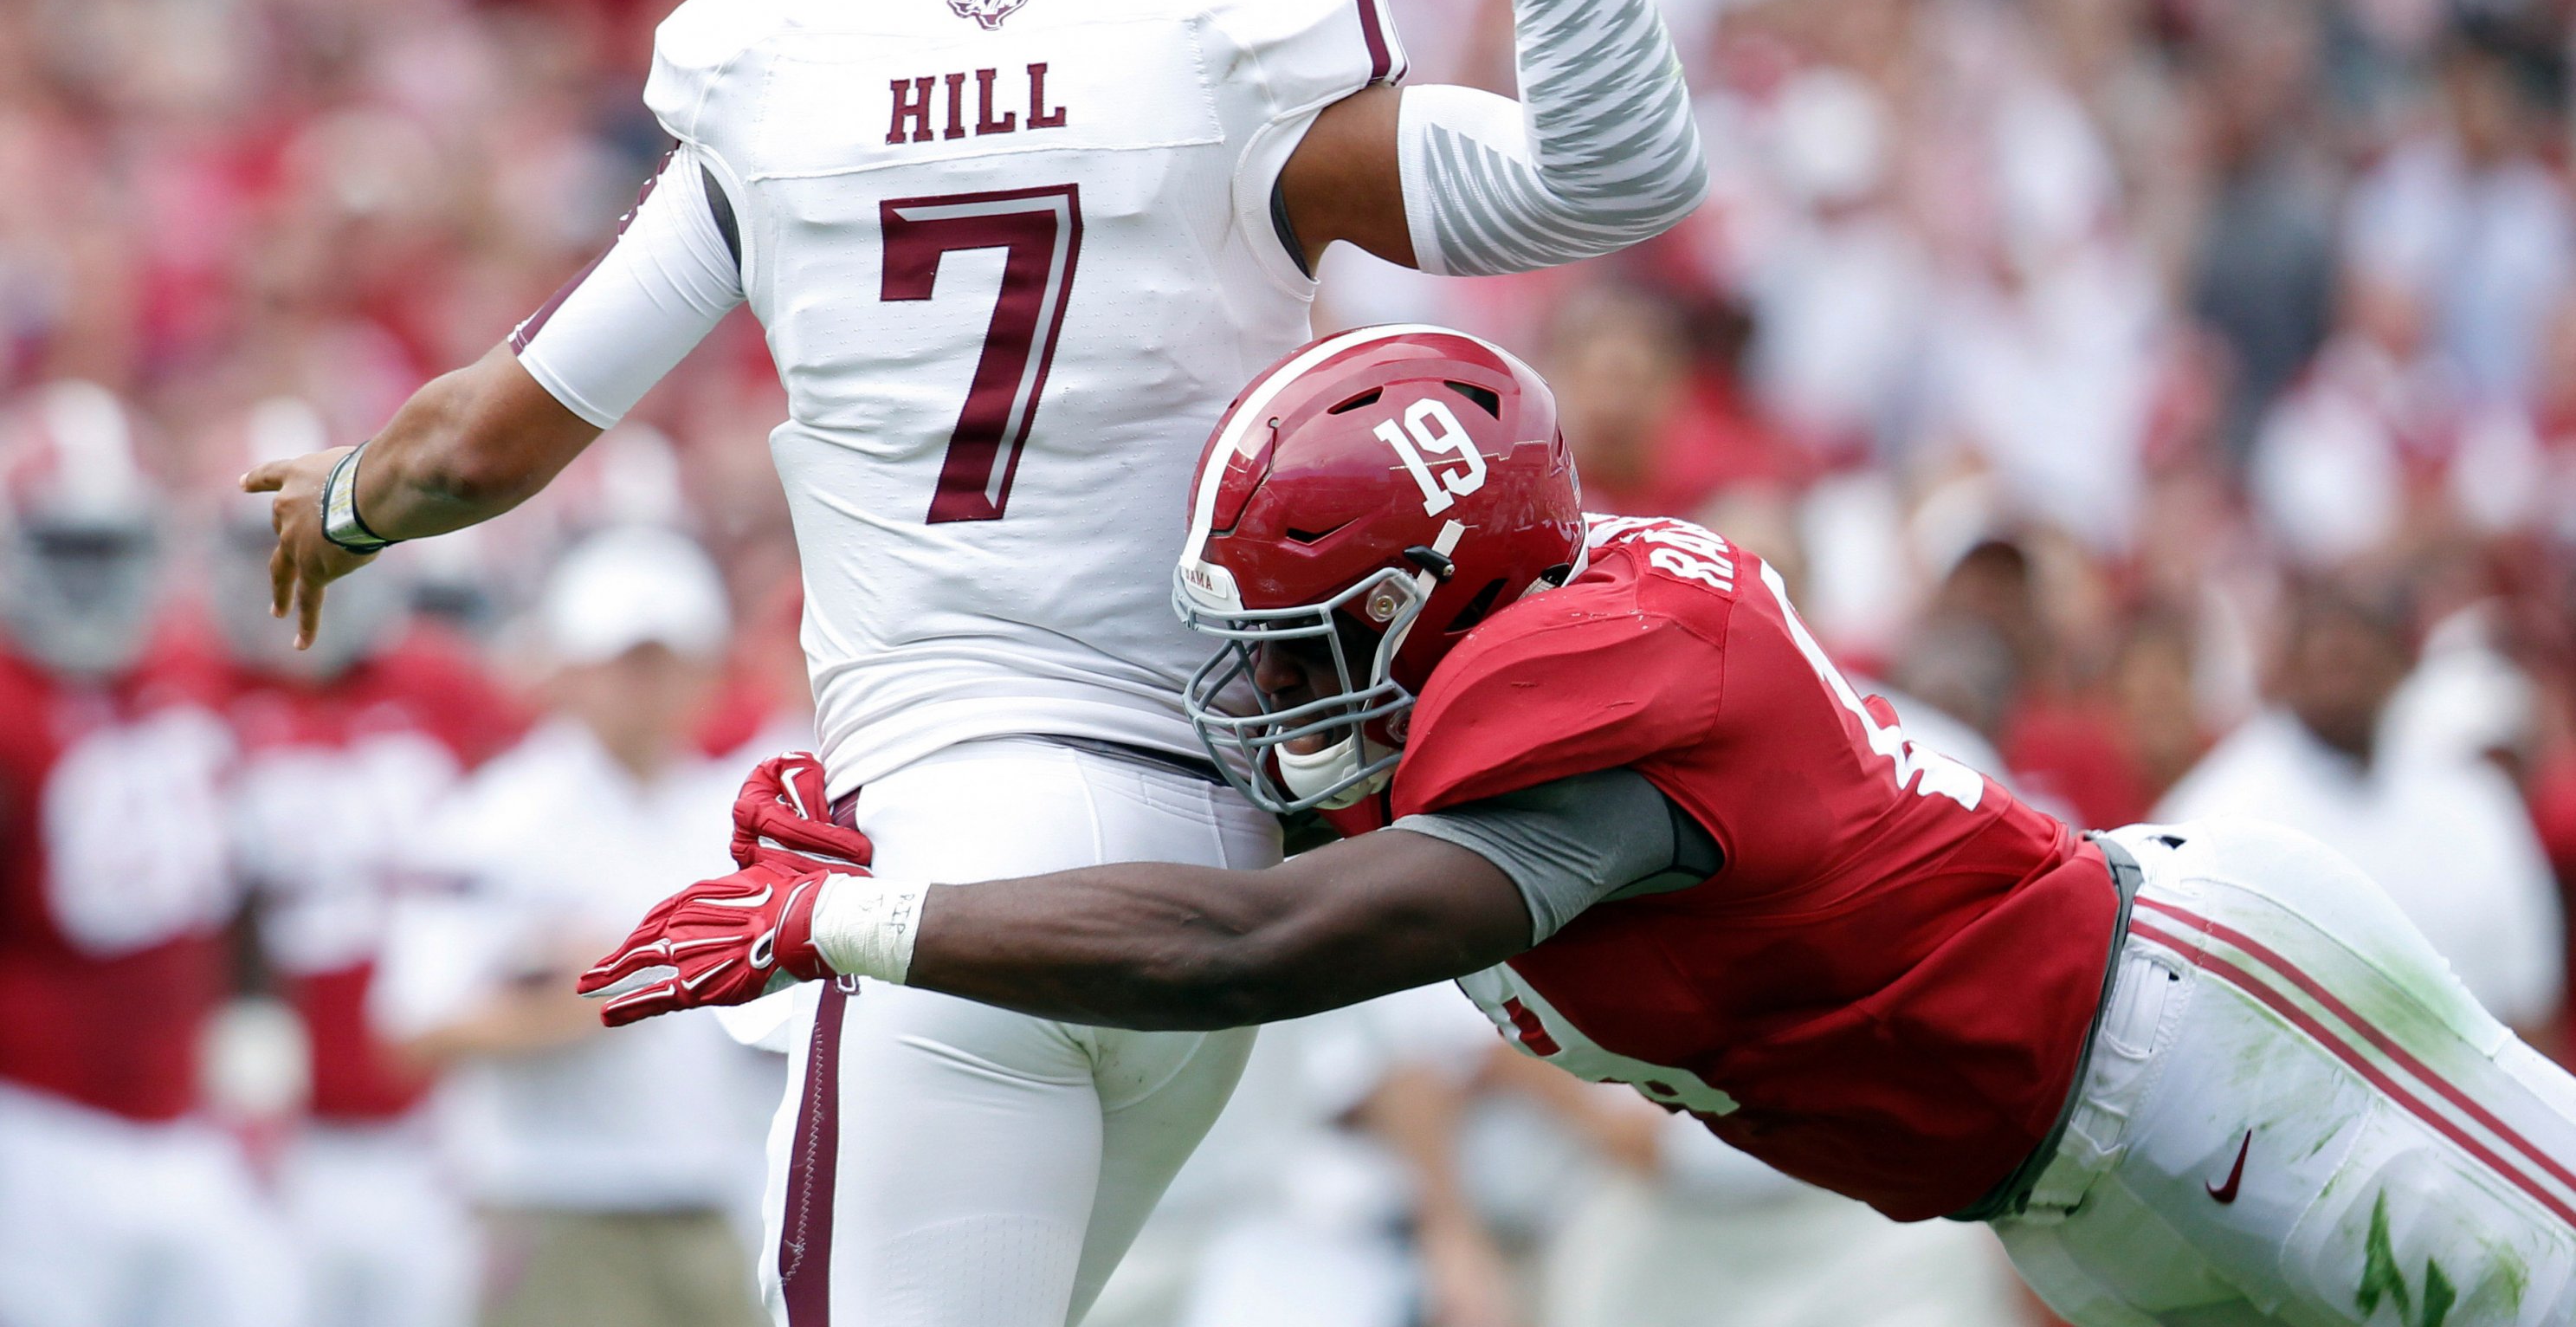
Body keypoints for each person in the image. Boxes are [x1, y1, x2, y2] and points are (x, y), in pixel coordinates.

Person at [249, 0, 1706, 1327]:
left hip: (953, 875)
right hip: (1201, 897)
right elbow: (1616, 170)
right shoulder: (1239, 59)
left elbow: (478, 446)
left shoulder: (786, 79)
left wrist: (339, 507)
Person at [591, 329, 2576, 1327]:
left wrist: (855, 926)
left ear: (1443, 589)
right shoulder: (1505, 642)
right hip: (2060, 1169)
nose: (1276, 703)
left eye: (1307, 649)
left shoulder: (1594, 703)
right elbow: (1229, 879)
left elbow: (1241, 948)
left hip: (2213, 1055)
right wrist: (920, 848)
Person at [371, 525, 778, 1327]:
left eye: (669, 660)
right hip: (557, 1203)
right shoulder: (498, 821)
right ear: (570, 669)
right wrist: (593, 996)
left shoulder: (732, 815)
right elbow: (409, 1029)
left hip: (714, 1198)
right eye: (628, 661)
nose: (649, 686)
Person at [204, 398, 526, 1327]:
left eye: (321, 536)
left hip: (432, 1125)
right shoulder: (191, 687)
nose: (298, 565)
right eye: (264, 539)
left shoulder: (442, 682)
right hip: (260, 1131)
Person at [0, 383, 298, 1327]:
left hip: (187, 1122)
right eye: (67, 547)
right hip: (39, 1121)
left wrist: (252, 1034)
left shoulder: (190, 671)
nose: (92, 579)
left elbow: (243, 877)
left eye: (112, 546)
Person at [2157, 576, 2564, 1032]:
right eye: (2325, 660)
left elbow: (2529, 994)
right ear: (2280, 675)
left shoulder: (2471, 797)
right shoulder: (2214, 815)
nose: (2343, 678)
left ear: (2398, 668)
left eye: (2357, 658)